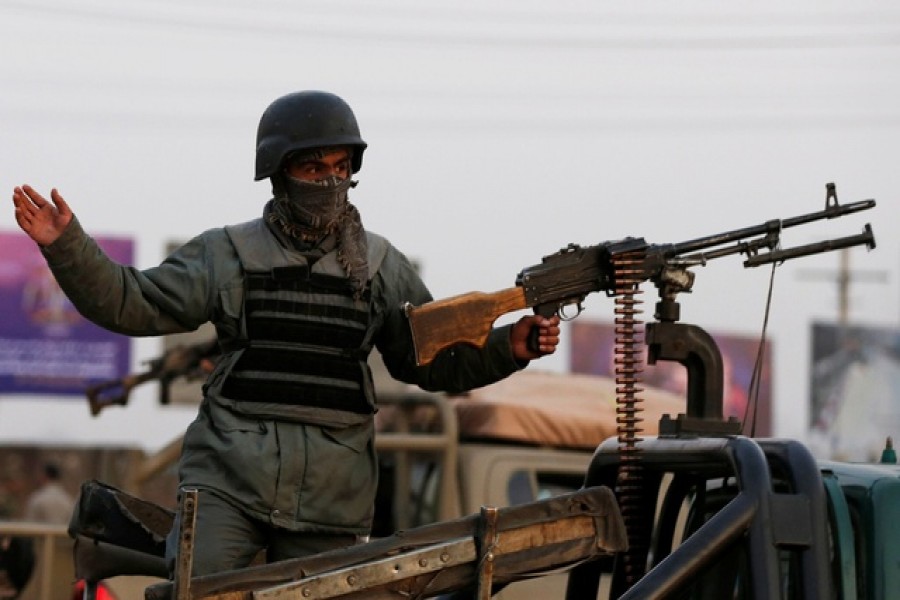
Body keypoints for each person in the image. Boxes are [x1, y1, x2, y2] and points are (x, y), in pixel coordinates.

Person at [11, 90, 561, 578]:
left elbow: (427, 359)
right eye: (313, 167)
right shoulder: (228, 255)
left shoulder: (380, 268)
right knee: (198, 589)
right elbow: (133, 303)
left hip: (332, 496)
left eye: (340, 166)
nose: (329, 181)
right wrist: (67, 246)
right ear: (279, 174)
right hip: (229, 480)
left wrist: (508, 347)